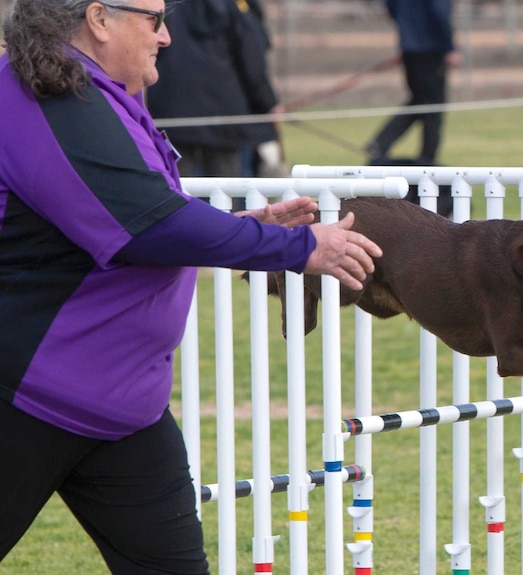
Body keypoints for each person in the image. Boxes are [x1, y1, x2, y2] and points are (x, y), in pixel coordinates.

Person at [0, 0, 381, 572]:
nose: (168, 36)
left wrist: (242, 230)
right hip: (24, 396)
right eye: (154, 19)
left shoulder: (86, 90)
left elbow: (142, 215)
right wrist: (301, 248)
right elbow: (148, 225)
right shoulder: (52, 95)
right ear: (99, 19)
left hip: (123, 405)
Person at [145, 0, 285, 192]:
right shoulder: (234, 5)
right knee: (225, 191)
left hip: (174, 109)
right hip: (222, 114)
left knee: (180, 188)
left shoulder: (167, 4)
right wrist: (267, 102)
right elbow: (252, 57)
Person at [364, 0, 461, 165]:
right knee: (433, 106)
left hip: (409, 47)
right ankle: (427, 160)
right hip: (432, 48)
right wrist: (449, 46)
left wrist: (408, 28)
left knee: (419, 100)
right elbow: (440, 12)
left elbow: (390, 5)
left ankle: (380, 144)